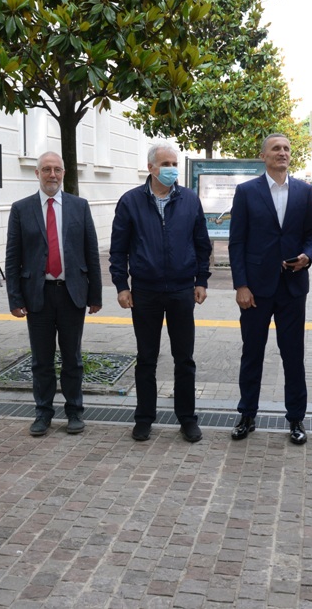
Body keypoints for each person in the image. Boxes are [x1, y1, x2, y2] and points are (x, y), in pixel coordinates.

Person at [109, 144, 212, 443]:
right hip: (145, 292)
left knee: (185, 359)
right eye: (165, 163)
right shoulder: (130, 202)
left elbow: (202, 244)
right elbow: (118, 249)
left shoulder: (190, 200)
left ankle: (187, 419)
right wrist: (121, 286)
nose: (171, 168)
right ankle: (144, 418)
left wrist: (201, 280)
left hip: (181, 290)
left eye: (174, 163)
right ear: (151, 167)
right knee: (146, 359)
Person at [228, 133, 312, 445]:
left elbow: (310, 235)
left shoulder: (305, 191)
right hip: (255, 288)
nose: (282, 153)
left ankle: (296, 419)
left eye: (286, 149)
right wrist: (240, 284)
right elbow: (236, 241)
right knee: (251, 353)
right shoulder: (246, 191)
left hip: (293, 287)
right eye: (276, 149)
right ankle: (247, 414)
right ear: (264, 156)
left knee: (293, 355)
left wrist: (307, 255)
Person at [5, 152, 103, 436]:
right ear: (37, 173)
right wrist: (15, 299)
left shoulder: (79, 206)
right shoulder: (21, 209)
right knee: (41, 359)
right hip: (38, 294)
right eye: (46, 169)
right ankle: (43, 413)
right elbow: (13, 258)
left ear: (63, 174)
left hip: (72, 293)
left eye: (57, 170)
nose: (52, 175)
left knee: (72, 358)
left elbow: (91, 253)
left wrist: (95, 295)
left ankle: (74, 411)